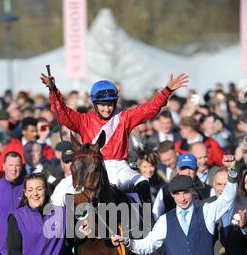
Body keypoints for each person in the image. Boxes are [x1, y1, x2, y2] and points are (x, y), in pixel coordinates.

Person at [40, 72, 189, 205]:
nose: (106, 109)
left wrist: (167, 91)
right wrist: (53, 90)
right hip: (90, 169)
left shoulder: (124, 117)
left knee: (142, 182)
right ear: (94, 104)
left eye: (110, 105)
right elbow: (62, 113)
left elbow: (149, 108)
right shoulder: (83, 120)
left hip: (118, 168)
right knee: (59, 192)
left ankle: (146, 228)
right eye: (102, 105)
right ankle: (58, 234)